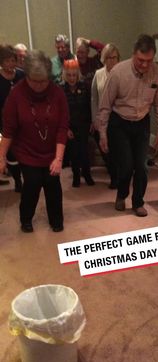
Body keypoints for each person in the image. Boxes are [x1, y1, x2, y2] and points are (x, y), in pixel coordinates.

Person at [98, 34, 158, 217]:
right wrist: (103, 134)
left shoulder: (157, 74)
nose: (145, 65)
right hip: (119, 122)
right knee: (127, 165)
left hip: (142, 122)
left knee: (142, 166)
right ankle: (121, 194)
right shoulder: (118, 73)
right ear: (133, 54)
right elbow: (105, 106)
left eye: (149, 60)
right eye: (140, 60)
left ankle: (138, 202)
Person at [0, 50, 69, 233]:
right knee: (32, 184)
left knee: (53, 185)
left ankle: (56, 220)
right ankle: (26, 219)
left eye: (43, 81)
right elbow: (8, 130)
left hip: (52, 151)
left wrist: (59, 158)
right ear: (27, 76)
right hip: (27, 151)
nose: (39, 86)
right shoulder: (16, 95)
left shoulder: (57, 94)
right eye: (34, 81)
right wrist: (1, 157)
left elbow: (62, 128)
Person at [60, 59, 95, 187]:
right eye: (69, 75)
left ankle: (87, 174)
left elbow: (90, 106)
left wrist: (92, 122)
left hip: (84, 125)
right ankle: (76, 176)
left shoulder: (85, 86)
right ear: (65, 75)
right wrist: (66, 129)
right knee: (73, 153)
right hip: (70, 127)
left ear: (77, 74)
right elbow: (60, 112)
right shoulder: (61, 89)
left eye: (74, 75)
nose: (72, 78)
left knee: (84, 151)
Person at [91, 43, 120, 189]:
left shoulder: (122, 73)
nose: (112, 60)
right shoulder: (98, 74)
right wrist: (94, 119)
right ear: (104, 58)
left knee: (116, 149)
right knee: (105, 149)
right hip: (102, 118)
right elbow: (94, 98)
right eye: (108, 57)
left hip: (118, 117)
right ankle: (112, 172)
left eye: (114, 57)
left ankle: (116, 177)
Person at [0, 44, 25, 192]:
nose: (10, 64)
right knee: (11, 153)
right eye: (6, 61)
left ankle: (27, 177)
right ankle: (17, 180)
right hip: (5, 122)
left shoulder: (21, 75)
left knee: (24, 149)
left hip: (23, 120)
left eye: (12, 60)